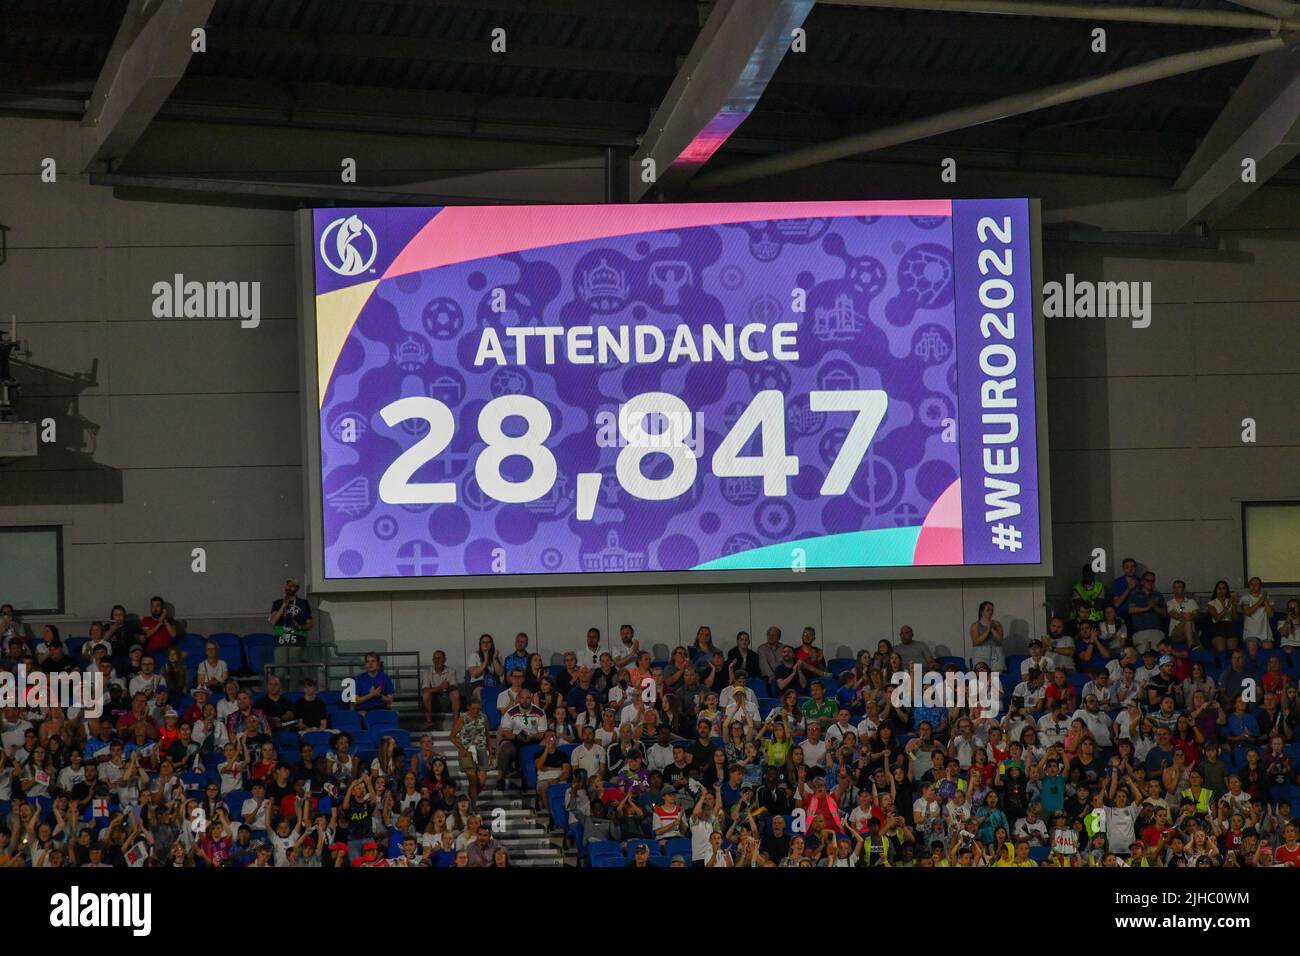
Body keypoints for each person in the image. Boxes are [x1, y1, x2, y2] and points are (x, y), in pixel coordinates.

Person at [268, 578, 313, 674]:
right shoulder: (277, 603)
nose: (289, 588)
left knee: (295, 672)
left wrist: (300, 627)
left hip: (297, 640)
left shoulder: (303, 603)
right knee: (280, 671)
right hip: (281, 640)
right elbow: (273, 621)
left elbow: (310, 624)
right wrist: (283, 606)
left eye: (292, 586)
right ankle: (282, 689)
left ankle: (294, 689)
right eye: (288, 585)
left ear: (297, 588)